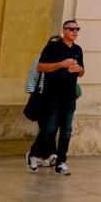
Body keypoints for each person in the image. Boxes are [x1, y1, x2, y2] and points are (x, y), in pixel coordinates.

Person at [27, 20, 84, 176]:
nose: (75, 31)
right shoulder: (52, 48)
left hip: (69, 97)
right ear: (64, 30)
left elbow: (82, 71)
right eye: (71, 29)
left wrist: (79, 69)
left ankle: (61, 162)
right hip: (53, 96)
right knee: (50, 128)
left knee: (66, 130)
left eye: (77, 29)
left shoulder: (78, 49)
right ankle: (33, 154)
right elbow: (41, 67)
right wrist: (62, 64)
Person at [24, 35, 62, 172]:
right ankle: (38, 154)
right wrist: (32, 96)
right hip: (41, 99)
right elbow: (30, 79)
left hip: (56, 100)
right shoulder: (39, 61)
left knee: (52, 128)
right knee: (47, 128)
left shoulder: (62, 63)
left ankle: (50, 155)